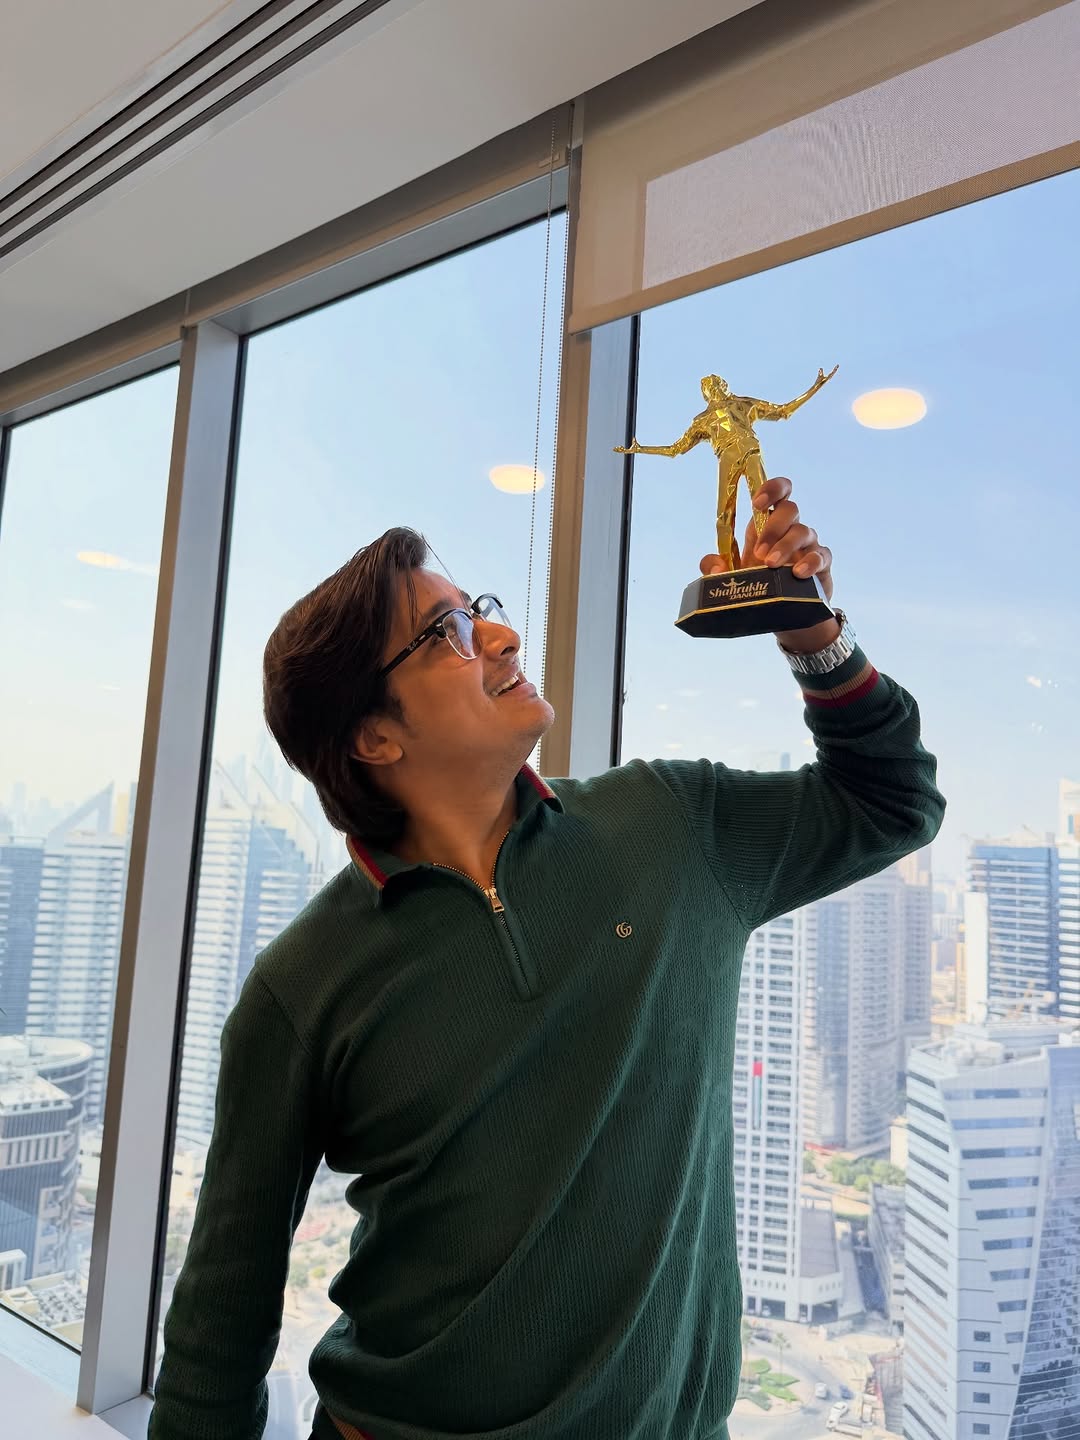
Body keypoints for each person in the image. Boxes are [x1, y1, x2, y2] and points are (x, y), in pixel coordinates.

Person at [149, 476, 944, 1440]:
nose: (501, 634)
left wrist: (813, 632)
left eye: (478, 607)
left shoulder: (672, 823)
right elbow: (221, 1318)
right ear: (374, 736)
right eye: (445, 632)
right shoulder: (302, 986)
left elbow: (892, 801)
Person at [617, 368, 838, 573]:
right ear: (705, 393)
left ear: (725, 385)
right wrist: (641, 449)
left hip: (749, 449)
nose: (714, 387)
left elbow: (782, 411)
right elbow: (676, 448)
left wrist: (815, 387)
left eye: (717, 383)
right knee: (724, 515)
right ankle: (731, 575)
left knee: (761, 505)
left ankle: (770, 565)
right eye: (709, 386)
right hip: (727, 457)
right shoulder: (702, 421)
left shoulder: (741, 403)